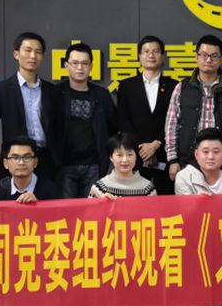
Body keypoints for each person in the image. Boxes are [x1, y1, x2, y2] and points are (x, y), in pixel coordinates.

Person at [0, 31, 59, 181]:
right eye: (28, 50)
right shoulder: (2, 89)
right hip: (16, 159)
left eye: (38, 52)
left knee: (47, 196)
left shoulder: (51, 90)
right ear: (16, 54)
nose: (33, 56)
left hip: (46, 160)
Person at [164, 34, 222, 180]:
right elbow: (171, 125)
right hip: (187, 162)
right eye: (204, 55)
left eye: (214, 56)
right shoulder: (182, 88)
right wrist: (172, 160)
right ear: (196, 57)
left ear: (221, 59)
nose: (208, 60)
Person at [116, 35, 178, 194]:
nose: (151, 55)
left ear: (162, 56)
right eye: (146, 51)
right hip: (135, 156)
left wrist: (156, 144)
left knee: (165, 202)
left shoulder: (174, 86)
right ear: (139, 56)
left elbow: (176, 121)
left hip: (165, 156)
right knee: (135, 202)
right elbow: (123, 120)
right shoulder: (127, 86)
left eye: (156, 51)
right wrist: (142, 147)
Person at [55, 42, 116, 198]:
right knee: (66, 210)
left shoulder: (102, 95)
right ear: (66, 65)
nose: (80, 68)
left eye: (84, 63)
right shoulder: (55, 93)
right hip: (64, 165)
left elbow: (113, 127)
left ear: (91, 66)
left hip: (94, 165)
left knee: (91, 210)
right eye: (75, 63)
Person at [0, 137, 60, 203]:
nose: (21, 162)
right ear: (6, 163)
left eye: (27, 157)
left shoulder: (51, 190)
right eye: (15, 158)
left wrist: (38, 205)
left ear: (35, 162)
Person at [174, 128, 222, 195]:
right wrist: (196, 201)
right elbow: (185, 206)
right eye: (205, 152)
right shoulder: (184, 177)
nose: (211, 157)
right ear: (196, 154)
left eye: (216, 152)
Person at [89, 133, 157, 199]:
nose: (125, 160)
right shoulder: (100, 188)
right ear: (111, 157)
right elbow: (90, 207)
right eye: (119, 155)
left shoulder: (147, 188)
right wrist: (102, 202)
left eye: (129, 154)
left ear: (136, 157)